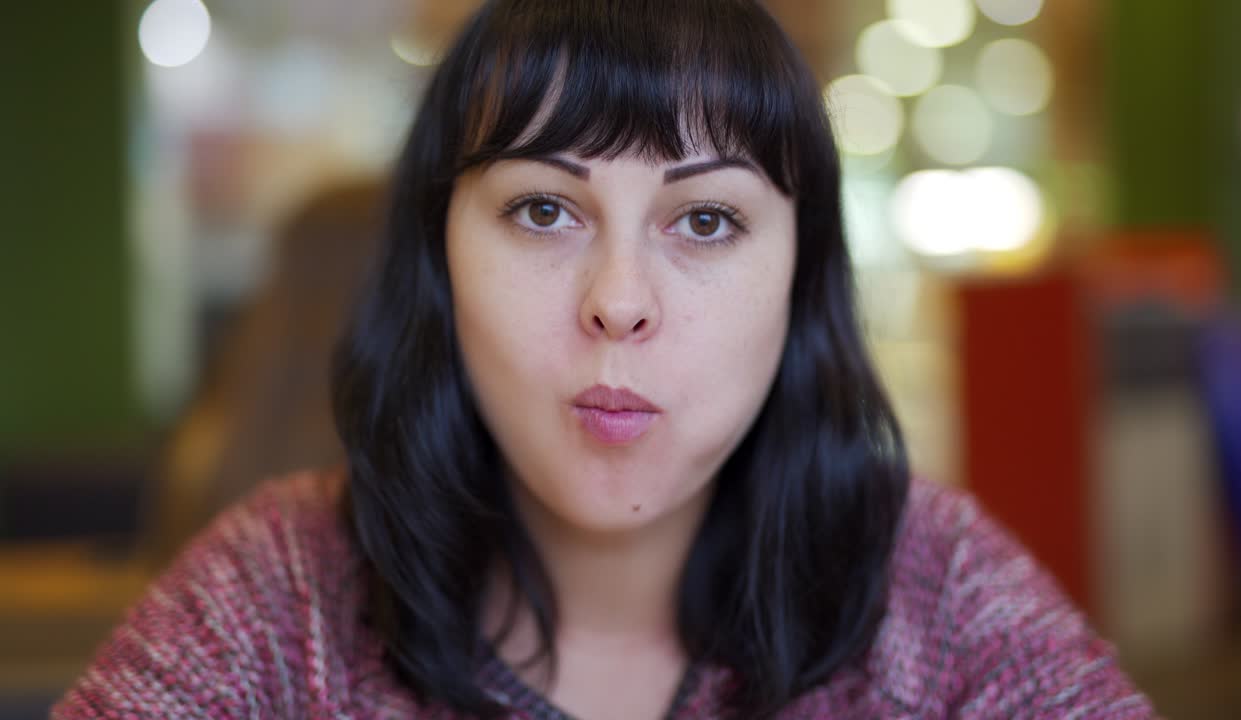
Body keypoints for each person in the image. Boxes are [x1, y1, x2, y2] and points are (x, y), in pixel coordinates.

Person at [53, 1, 1157, 718]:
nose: (618, 303)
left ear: (799, 276)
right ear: (437, 259)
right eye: (541, 209)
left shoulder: (936, 592)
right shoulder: (276, 596)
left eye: (707, 223)